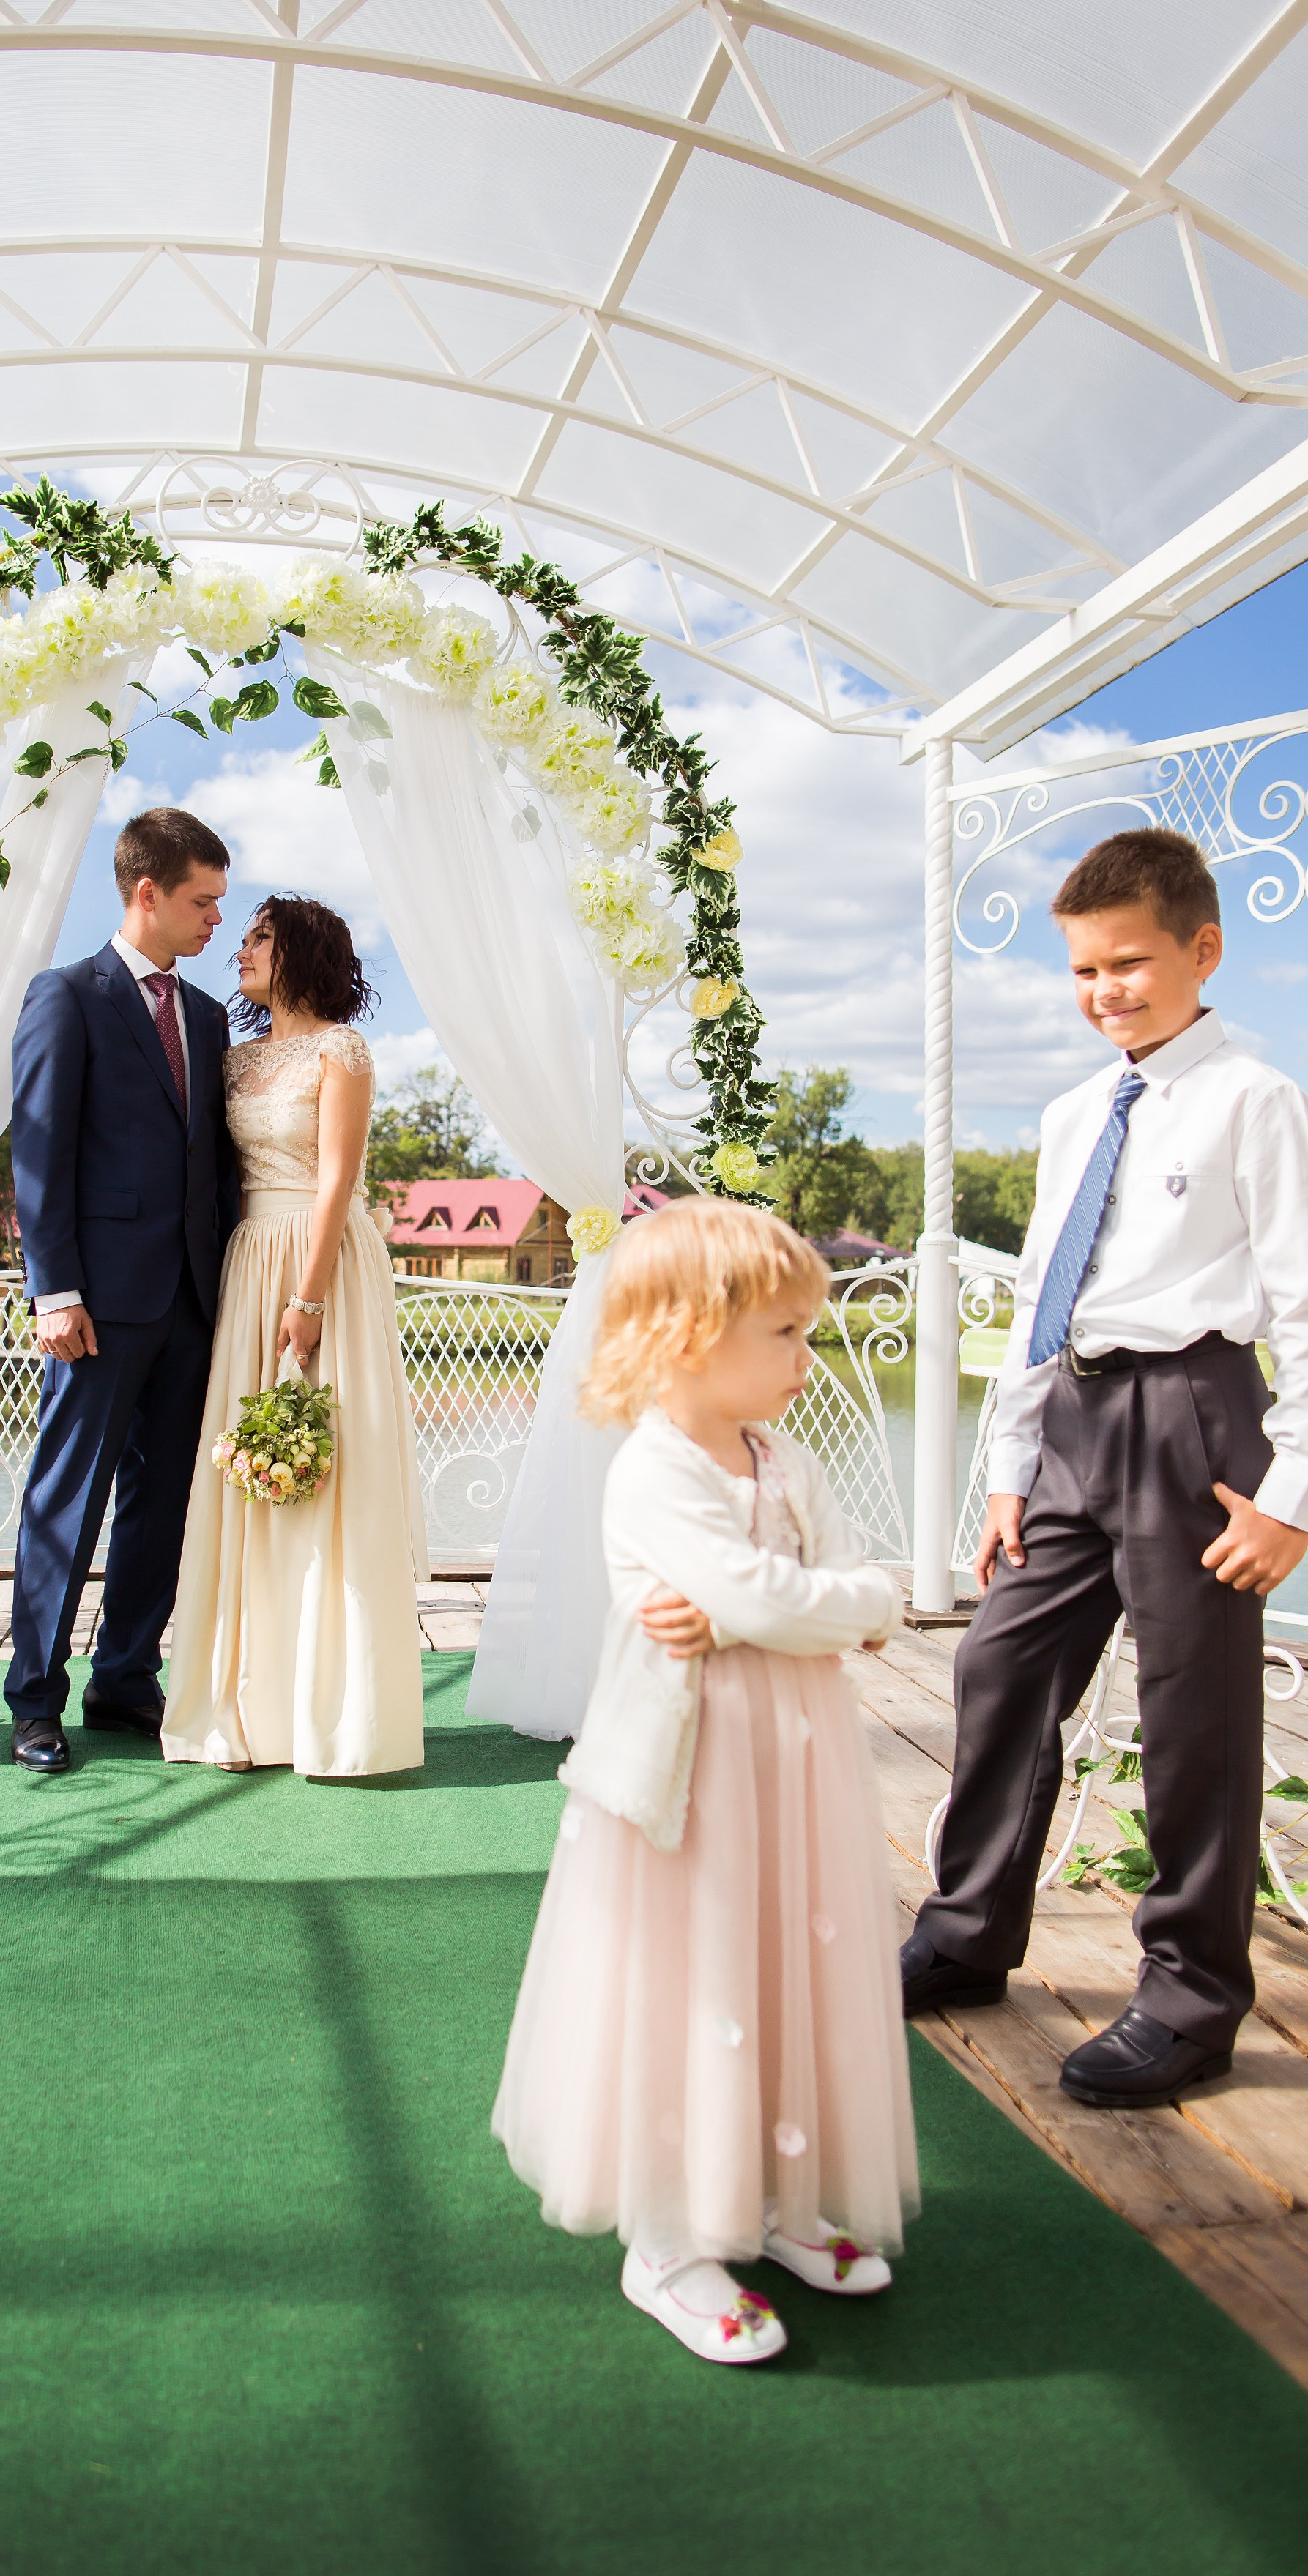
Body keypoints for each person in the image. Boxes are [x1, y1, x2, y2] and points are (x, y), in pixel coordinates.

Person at [904, 827, 1308, 2107]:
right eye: (1081, 971)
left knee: (1193, 1714)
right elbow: (1040, 1295)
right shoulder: (1075, 1109)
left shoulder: (1254, 1097)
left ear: (1200, 950)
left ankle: (1189, 2000)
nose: (1103, 992)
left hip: (1195, 1415)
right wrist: (1009, 1467)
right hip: (1073, 1422)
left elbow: (1302, 1303)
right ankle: (965, 1936)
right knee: (997, 1662)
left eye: (1127, 964)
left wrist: (1289, 1498)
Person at [494, 1199, 914, 2367]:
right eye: (782, 1333)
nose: (803, 1357)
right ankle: (673, 2235)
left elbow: (812, 1575)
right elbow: (775, 1598)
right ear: (688, 1335)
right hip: (691, 1776)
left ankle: (773, 2198)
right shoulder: (652, 1469)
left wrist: (826, 1601)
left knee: (788, 1964)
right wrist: (864, 1606)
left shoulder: (785, 1456)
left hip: (795, 1761)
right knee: (702, 1973)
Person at [163, 895, 426, 1776]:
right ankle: (248, 1704)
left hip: (322, 1264)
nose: (238, 948)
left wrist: (307, 1301)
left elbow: (336, 1181)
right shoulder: (232, 1060)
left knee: (328, 1469)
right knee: (249, 1468)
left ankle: (337, 1712)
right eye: (239, 935)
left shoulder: (341, 1049)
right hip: (249, 1262)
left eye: (259, 936)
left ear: (302, 950)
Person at [2, 808, 242, 1773]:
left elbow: (213, 1166)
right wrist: (52, 1288)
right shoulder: (67, 996)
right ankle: (33, 1697)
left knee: (164, 1501)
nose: (215, 920)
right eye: (202, 901)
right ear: (147, 893)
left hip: (191, 1300)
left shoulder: (209, 1017)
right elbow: (37, 1152)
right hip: (95, 1303)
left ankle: (125, 1676)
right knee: (69, 1496)